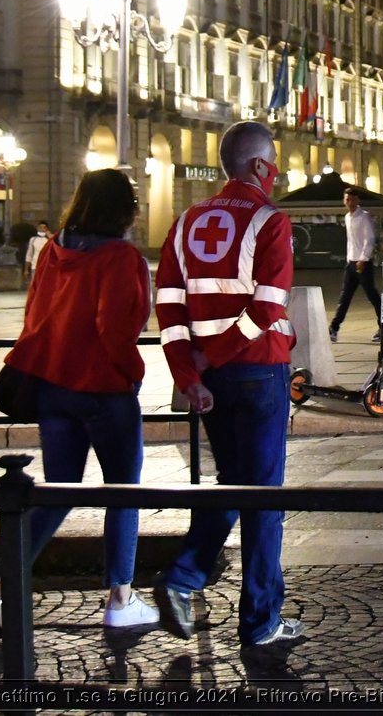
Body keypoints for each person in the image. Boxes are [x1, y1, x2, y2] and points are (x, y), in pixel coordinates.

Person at [0, 168, 157, 636]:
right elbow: (114, 329)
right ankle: (120, 597)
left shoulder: (54, 251)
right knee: (123, 493)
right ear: (123, 210)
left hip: (52, 387)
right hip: (102, 389)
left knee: (58, 492)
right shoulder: (121, 258)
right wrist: (130, 376)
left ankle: (0, 592)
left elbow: (33, 315)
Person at [153, 120, 302, 649]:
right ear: (260, 166)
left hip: (211, 381)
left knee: (233, 484)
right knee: (263, 497)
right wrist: (216, 352)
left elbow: (168, 305)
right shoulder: (270, 219)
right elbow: (266, 308)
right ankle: (261, 619)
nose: (277, 171)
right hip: (260, 370)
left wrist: (189, 372)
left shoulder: (187, 220)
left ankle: (183, 579)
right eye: (274, 161)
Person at [327, 188, 383, 344]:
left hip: (362, 263)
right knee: (345, 296)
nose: (349, 203)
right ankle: (334, 328)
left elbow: (369, 239)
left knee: (372, 295)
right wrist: (349, 259)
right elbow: (351, 241)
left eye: (352, 200)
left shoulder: (364, 217)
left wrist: (363, 258)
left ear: (358, 201)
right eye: (346, 200)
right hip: (351, 262)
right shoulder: (347, 217)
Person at [23, 219, 52, 284]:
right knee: (35, 284)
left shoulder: (49, 240)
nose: (42, 229)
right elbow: (29, 254)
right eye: (40, 228)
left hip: (46, 266)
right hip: (35, 266)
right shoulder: (33, 239)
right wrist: (26, 269)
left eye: (44, 228)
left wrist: (50, 237)